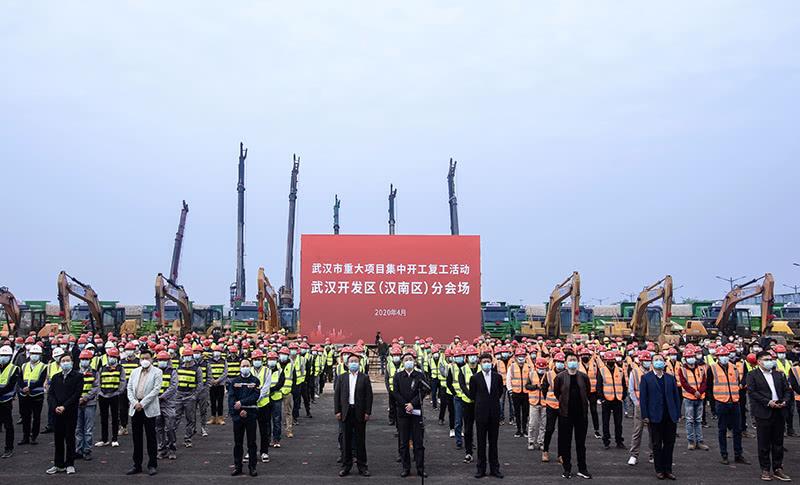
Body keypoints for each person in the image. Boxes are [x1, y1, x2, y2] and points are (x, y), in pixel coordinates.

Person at [746, 350, 792, 482]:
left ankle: (778, 468)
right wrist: (768, 402)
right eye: (766, 359)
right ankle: (765, 469)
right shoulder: (752, 375)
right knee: (764, 443)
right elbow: (752, 392)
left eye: (771, 359)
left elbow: (787, 390)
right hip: (764, 412)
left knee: (778, 442)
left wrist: (784, 401)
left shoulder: (779, 375)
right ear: (759, 361)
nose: (770, 361)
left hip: (779, 410)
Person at [639, 352, 681, 480]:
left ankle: (668, 469)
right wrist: (645, 415)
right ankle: (659, 469)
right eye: (656, 360)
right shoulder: (646, 378)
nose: (659, 362)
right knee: (657, 444)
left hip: (669, 416)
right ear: (652, 363)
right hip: (654, 416)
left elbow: (676, 397)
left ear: (664, 362)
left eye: (661, 360)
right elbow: (643, 399)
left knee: (669, 443)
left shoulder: (670, 378)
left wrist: (677, 413)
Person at [707, 346, 749, 466]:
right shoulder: (712, 369)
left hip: (735, 402)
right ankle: (724, 455)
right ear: (717, 357)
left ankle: (738, 454)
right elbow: (709, 388)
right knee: (722, 430)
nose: (724, 358)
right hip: (721, 403)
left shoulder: (734, 367)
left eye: (726, 355)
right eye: (721, 356)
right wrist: (713, 406)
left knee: (737, 430)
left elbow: (738, 383)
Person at [553, 352, 592, 479]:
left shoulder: (584, 377)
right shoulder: (560, 377)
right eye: (570, 360)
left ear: (578, 362)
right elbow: (556, 392)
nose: (572, 362)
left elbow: (588, 390)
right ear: (565, 363)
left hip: (581, 415)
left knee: (581, 443)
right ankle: (567, 469)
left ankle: (582, 468)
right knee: (566, 443)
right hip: (565, 414)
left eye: (575, 360)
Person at [334, 353, 373, 477]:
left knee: (360, 440)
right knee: (346, 440)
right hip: (346, 412)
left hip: (359, 412)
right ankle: (346, 466)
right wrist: (337, 411)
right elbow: (337, 396)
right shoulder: (341, 378)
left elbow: (369, 396)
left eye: (356, 361)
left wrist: (367, 412)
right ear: (347, 364)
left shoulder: (364, 378)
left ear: (359, 363)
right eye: (351, 361)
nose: (353, 363)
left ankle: (362, 466)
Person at [392, 349, 428, 478]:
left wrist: (413, 404)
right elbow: (395, 393)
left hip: (416, 412)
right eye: (406, 359)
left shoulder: (420, 375)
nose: (408, 362)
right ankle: (406, 468)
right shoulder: (398, 376)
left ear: (414, 361)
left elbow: (424, 391)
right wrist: (406, 405)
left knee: (418, 442)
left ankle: (420, 468)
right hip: (402, 413)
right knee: (403, 442)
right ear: (402, 362)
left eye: (411, 359)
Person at [125, 349, 162, 476]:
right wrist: (135, 403)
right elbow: (129, 388)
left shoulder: (157, 372)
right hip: (135, 408)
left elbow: (156, 390)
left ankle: (152, 464)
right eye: (142, 358)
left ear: (152, 359)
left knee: (151, 437)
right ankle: (137, 465)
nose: (144, 360)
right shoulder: (135, 372)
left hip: (148, 407)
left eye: (147, 358)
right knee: (137, 438)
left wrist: (143, 403)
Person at [468, 353, 503, 479]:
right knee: (481, 442)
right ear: (480, 363)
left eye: (488, 361)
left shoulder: (497, 377)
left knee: (493, 443)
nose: (486, 364)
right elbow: (472, 395)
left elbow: (499, 392)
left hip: (494, 414)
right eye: (484, 362)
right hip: (481, 414)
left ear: (491, 362)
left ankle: (495, 469)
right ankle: (481, 469)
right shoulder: (475, 378)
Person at [47, 353, 83, 475]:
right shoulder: (56, 377)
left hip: (70, 411)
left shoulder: (78, 376)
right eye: (63, 360)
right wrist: (55, 406)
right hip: (57, 412)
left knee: (70, 438)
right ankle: (58, 464)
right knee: (58, 439)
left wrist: (64, 406)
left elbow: (76, 394)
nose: (65, 363)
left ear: (72, 362)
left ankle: (70, 463)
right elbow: (50, 394)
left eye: (67, 360)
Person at [228, 359, 260, 477]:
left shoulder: (255, 381)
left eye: (247, 365)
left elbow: (255, 396)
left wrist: (242, 403)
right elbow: (231, 397)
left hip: (250, 414)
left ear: (250, 367)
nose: (245, 367)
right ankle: (238, 467)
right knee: (238, 443)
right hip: (238, 416)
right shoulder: (234, 381)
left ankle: (252, 467)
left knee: (252, 443)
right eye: (243, 366)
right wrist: (237, 411)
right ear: (240, 367)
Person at [678, 347, 710, 450]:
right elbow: (684, 383)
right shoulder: (682, 369)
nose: (691, 358)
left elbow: (705, 381)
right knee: (690, 420)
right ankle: (691, 441)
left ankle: (700, 441)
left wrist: (700, 392)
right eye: (688, 357)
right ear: (685, 358)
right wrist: (694, 392)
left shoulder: (701, 368)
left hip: (700, 397)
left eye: (692, 356)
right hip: (689, 398)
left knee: (698, 420)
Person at [596, 350, 627, 450]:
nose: (611, 361)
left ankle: (619, 441)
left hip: (617, 399)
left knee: (618, 423)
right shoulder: (602, 371)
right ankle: (606, 441)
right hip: (607, 399)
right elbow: (599, 386)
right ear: (605, 361)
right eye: (609, 360)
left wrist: (623, 396)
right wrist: (602, 399)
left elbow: (623, 385)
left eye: (612, 360)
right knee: (606, 422)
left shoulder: (620, 370)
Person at [96, 347, 125, 448]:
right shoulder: (102, 368)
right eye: (110, 356)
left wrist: (118, 391)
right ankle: (104, 439)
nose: (111, 358)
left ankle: (114, 439)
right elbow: (98, 381)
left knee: (115, 418)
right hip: (103, 395)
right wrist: (100, 392)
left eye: (113, 357)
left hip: (114, 395)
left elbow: (122, 381)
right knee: (103, 418)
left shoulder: (120, 368)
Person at [627, 351, 653, 466]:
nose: (647, 362)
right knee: (637, 431)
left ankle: (653, 454)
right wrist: (636, 403)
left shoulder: (653, 372)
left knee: (653, 431)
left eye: (649, 360)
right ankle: (634, 455)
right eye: (645, 360)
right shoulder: (635, 372)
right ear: (641, 361)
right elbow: (631, 389)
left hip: (652, 406)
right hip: (640, 406)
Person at [18, 344, 46, 447]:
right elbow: (20, 378)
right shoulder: (24, 365)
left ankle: (34, 436)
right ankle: (25, 437)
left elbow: (41, 380)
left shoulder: (43, 366)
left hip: (37, 395)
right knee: (26, 417)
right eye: (33, 353)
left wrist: (30, 388)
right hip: (24, 395)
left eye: (36, 354)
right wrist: (23, 387)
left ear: (40, 355)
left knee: (36, 417)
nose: (34, 355)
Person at [75, 349, 99, 461]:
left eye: (87, 359)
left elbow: (96, 387)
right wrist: (78, 398)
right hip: (77, 403)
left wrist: (85, 397)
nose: (84, 361)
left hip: (89, 403)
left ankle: (87, 450)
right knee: (78, 428)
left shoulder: (94, 373)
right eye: (83, 359)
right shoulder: (75, 373)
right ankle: (78, 450)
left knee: (88, 429)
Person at [155, 351, 178, 460]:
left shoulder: (172, 372)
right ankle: (161, 449)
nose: (161, 362)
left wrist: (162, 396)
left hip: (168, 403)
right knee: (158, 428)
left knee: (170, 427)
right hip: (156, 403)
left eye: (163, 360)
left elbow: (173, 387)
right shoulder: (154, 371)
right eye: (160, 360)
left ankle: (172, 448)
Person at [524, 357, 548, 451]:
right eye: (539, 368)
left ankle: (541, 442)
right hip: (533, 403)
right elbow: (527, 386)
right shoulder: (531, 374)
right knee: (532, 424)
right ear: (536, 367)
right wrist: (536, 386)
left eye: (543, 368)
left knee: (543, 425)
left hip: (545, 403)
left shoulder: (548, 375)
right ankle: (531, 441)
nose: (541, 370)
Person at [0, 345, 20, 458]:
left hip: (6, 400)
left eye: (6, 355)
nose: (3, 357)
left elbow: (11, 385)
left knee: (8, 425)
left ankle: (9, 448)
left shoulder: (14, 368)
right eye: (1, 355)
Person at [506, 347, 530, 438]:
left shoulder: (528, 367)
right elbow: (509, 379)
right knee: (517, 412)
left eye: (523, 356)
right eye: (519, 356)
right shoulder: (511, 367)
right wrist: (510, 390)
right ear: (515, 357)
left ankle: (524, 430)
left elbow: (531, 379)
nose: (521, 358)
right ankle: (518, 430)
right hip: (515, 393)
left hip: (526, 393)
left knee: (525, 412)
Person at [206, 344, 228, 425]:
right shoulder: (209, 361)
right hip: (212, 384)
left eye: (218, 351)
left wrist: (218, 380)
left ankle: (220, 418)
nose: (216, 353)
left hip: (220, 384)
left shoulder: (223, 361)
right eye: (215, 351)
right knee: (212, 402)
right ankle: (213, 418)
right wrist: (212, 380)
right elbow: (208, 371)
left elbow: (225, 372)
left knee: (220, 402)